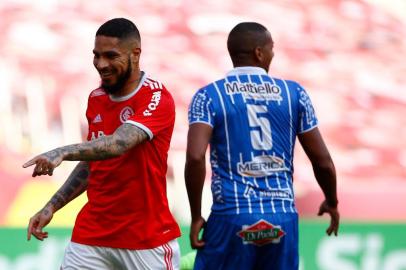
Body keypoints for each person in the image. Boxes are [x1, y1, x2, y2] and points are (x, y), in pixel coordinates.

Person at [23, 18, 181, 270]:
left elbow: (119, 143)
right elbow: (94, 160)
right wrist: (51, 206)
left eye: (110, 56)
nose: (101, 64)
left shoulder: (156, 97)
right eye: (96, 55)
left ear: (135, 54)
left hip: (145, 237)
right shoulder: (96, 99)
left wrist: (62, 151)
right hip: (92, 234)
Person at [184, 22, 339, 270]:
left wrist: (195, 217)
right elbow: (323, 161)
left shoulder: (209, 96)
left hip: (232, 215)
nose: (273, 54)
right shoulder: (294, 94)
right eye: (271, 48)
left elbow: (194, 157)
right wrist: (331, 200)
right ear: (259, 53)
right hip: (282, 216)